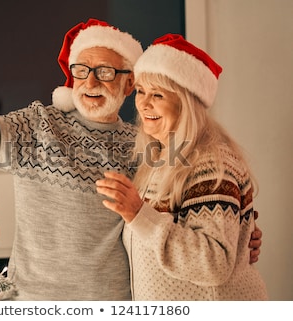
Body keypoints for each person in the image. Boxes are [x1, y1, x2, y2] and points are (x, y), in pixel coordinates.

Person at [0, 19, 263, 300]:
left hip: (118, 300)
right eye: (81, 70)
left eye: (105, 71)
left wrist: (240, 231)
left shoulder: (143, 149)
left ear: (128, 83)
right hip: (34, 299)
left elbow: (182, 211)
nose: (90, 82)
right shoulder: (38, 125)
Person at [95, 34, 268, 300]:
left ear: (185, 102)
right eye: (141, 91)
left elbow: (213, 263)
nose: (143, 103)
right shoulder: (161, 158)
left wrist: (139, 214)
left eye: (158, 94)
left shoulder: (209, 163)